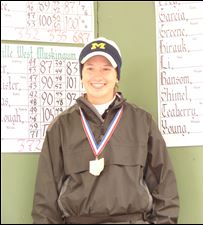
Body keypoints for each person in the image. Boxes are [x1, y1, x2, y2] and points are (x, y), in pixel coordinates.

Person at [32, 37, 180, 224]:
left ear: (117, 75)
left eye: (106, 69)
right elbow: (45, 199)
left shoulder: (143, 122)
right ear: (81, 74)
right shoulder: (61, 127)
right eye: (90, 68)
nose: (97, 76)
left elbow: (164, 185)